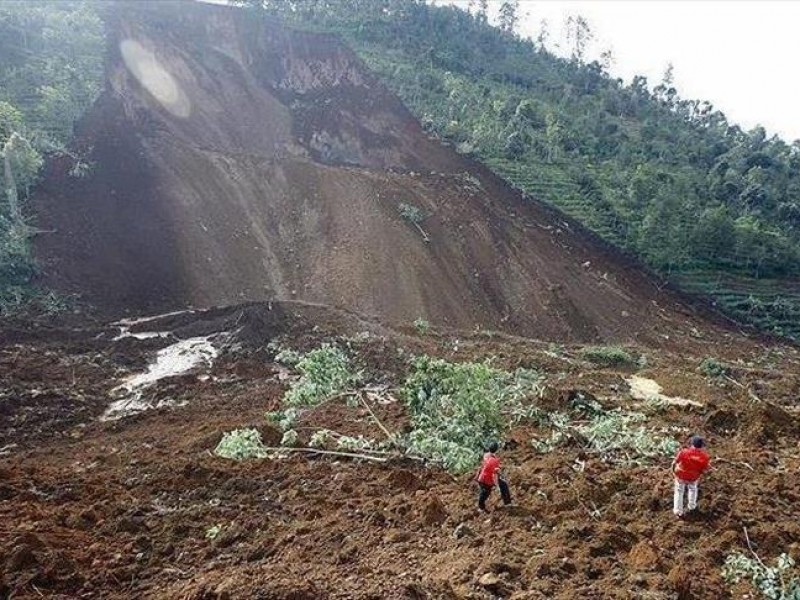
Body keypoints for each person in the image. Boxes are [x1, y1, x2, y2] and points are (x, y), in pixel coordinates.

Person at [672, 435, 710, 518]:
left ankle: (678, 511)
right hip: (693, 477)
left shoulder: (684, 452)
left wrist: (674, 471)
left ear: (692, 444)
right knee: (692, 490)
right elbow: (705, 470)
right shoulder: (705, 457)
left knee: (679, 491)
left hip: (681, 475)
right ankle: (692, 506)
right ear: (701, 446)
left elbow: (675, 462)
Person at [476, 442, 511, 512]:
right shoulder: (495, 461)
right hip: (487, 479)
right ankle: (481, 507)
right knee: (486, 493)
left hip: (482, 477)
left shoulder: (486, 455)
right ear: (497, 450)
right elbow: (495, 474)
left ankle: (481, 507)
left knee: (485, 492)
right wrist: (496, 484)